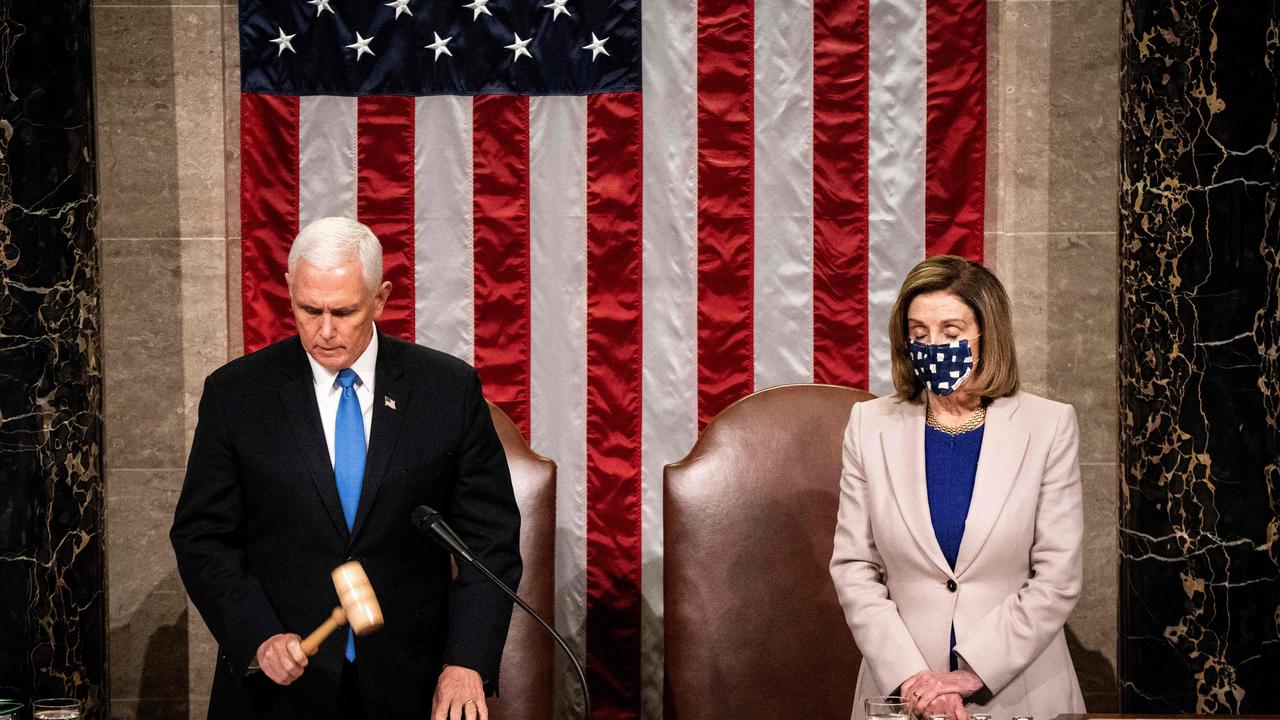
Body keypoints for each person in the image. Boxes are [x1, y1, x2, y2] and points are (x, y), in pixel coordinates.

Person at [171, 217, 522, 720]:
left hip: (411, 684)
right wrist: (258, 635)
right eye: (309, 310)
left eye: (344, 311)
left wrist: (466, 661)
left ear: (380, 299)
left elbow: (489, 540)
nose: (325, 330)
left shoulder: (445, 390)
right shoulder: (237, 395)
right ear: (289, 291)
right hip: (280, 690)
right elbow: (201, 536)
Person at [829, 256, 1085, 720]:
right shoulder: (869, 426)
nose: (933, 346)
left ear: (988, 335)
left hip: (1017, 691)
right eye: (919, 333)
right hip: (903, 696)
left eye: (951, 332)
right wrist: (916, 681)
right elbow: (853, 568)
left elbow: (1057, 577)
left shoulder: (1048, 426)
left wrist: (970, 674)